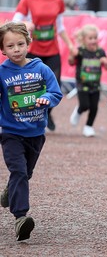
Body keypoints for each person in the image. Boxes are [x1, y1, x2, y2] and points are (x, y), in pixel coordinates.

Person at [0, 22, 63, 241]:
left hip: (36, 133)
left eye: (19, 44)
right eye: (10, 46)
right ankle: (20, 218)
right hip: (10, 133)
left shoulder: (41, 69)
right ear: (3, 50)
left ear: (28, 43)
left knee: (25, 173)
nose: (15, 49)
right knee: (18, 171)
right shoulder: (2, 72)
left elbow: (56, 92)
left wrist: (48, 98)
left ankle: (11, 189)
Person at [12, 0, 76, 131]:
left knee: (55, 86)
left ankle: (46, 113)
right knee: (31, 87)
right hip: (32, 50)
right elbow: (14, 22)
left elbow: (60, 27)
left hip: (52, 50)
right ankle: (31, 119)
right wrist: (26, 25)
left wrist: (70, 45)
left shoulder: (58, 0)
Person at [68, 24, 107, 137]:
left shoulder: (100, 52)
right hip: (82, 84)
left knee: (94, 107)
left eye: (95, 38)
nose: (93, 41)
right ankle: (78, 111)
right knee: (85, 105)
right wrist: (72, 56)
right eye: (90, 38)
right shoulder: (81, 51)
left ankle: (88, 126)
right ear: (83, 39)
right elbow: (71, 62)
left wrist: (105, 63)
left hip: (95, 85)